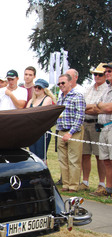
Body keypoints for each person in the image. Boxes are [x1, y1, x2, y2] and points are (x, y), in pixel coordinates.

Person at [79, 64, 109, 195]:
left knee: (100, 156)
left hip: (98, 123)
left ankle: (102, 183)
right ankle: (85, 182)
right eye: (95, 74)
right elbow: (82, 106)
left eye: (100, 74)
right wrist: (95, 106)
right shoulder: (89, 88)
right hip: (85, 123)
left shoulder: (106, 89)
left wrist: (94, 107)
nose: (97, 76)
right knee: (84, 154)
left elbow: (100, 109)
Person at [56, 73, 86, 192]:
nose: (61, 85)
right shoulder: (60, 97)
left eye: (63, 83)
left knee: (74, 160)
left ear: (70, 83)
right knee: (62, 159)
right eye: (59, 83)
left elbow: (80, 116)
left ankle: (73, 185)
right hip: (61, 130)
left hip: (74, 132)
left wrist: (71, 132)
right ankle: (65, 184)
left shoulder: (77, 96)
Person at [26, 79, 56, 162]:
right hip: (32, 132)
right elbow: (26, 114)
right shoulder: (31, 101)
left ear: (44, 89)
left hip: (42, 133)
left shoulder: (47, 99)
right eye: (35, 87)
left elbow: (39, 114)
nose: (36, 89)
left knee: (41, 157)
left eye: (39, 87)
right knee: (32, 156)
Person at [96, 62, 112, 197]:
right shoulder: (106, 89)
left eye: (110, 71)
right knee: (106, 160)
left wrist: (101, 106)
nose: (107, 73)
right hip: (104, 127)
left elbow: (108, 108)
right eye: (106, 71)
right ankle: (109, 188)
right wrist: (101, 105)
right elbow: (97, 106)